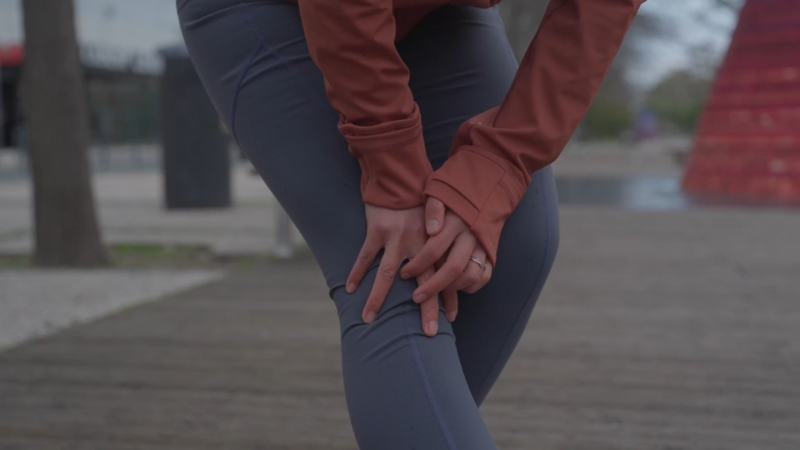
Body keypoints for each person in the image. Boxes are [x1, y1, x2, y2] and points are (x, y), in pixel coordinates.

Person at [177, 0, 643, 447]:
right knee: (395, 271)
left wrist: (496, 168)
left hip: (440, 10)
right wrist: (391, 162)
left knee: (517, 240)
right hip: (273, 8)